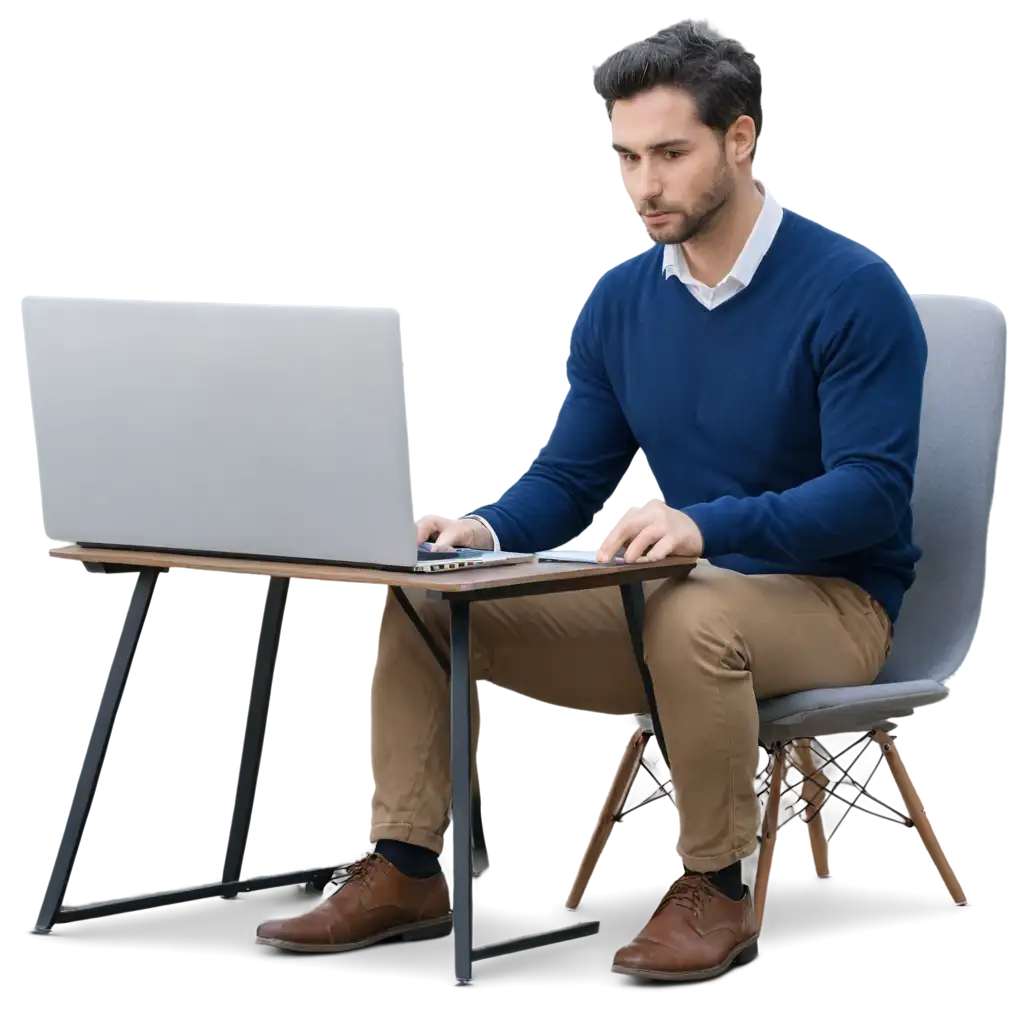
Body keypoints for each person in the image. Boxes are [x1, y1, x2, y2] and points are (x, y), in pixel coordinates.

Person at [255, 19, 926, 983]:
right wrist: (477, 528)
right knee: (419, 592)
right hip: (678, 596)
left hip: (831, 602)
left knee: (694, 614)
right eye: (623, 158)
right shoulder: (619, 298)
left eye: (669, 154)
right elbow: (571, 474)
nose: (643, 186)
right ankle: (404, 867)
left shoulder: (852, 291)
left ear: (739, 142)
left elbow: (870, 495)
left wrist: (709, 524)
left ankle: (716, 886)